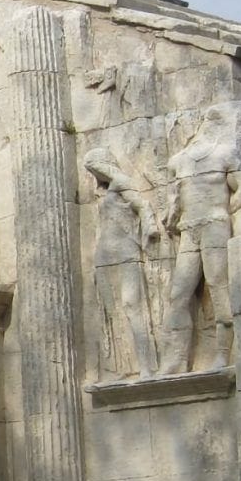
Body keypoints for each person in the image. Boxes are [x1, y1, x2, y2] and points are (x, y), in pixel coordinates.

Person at [160, 106, 241, 374]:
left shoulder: (224, 154)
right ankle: (176, 357)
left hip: (215, 224)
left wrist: (228, 217)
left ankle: (223, 353)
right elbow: (174, 201)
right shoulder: (178, 161)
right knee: (178, 293)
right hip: (189, 228)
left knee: (218, 285)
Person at [85, 148, 161, 379]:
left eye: (95, 167)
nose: (94, 173)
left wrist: (150, 227)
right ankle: (123, 367)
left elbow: (143, 206)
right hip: (104, 253)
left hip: (126, 249)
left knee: (131, 305)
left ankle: (146, 365)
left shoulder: (120, 181)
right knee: (110, 310)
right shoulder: (105, 191)